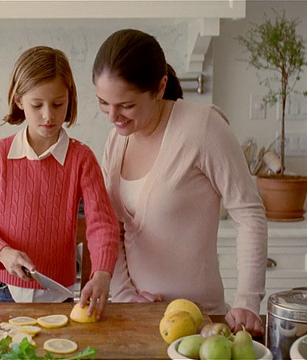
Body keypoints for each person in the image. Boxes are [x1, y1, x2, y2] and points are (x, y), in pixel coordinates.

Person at [92, 29, 268, 336]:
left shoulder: (203, 128)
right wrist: (125, 296)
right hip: (136, 317)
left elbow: (249, 212)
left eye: (126, 105)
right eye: (103, 103)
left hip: (201, 320)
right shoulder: (115, 141)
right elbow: (113, 227)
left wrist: (248, 301)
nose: (112, 116)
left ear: (160, 88)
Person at [0, 46, 119, 319]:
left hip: (58, 294)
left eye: (58, 104)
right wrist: (4, 253)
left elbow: (102, 225)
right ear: (19, 100)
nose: (48, 115)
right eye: (37, 105)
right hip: (2, 289)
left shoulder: (82, 159)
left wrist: (103, 273)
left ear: (70, 99)